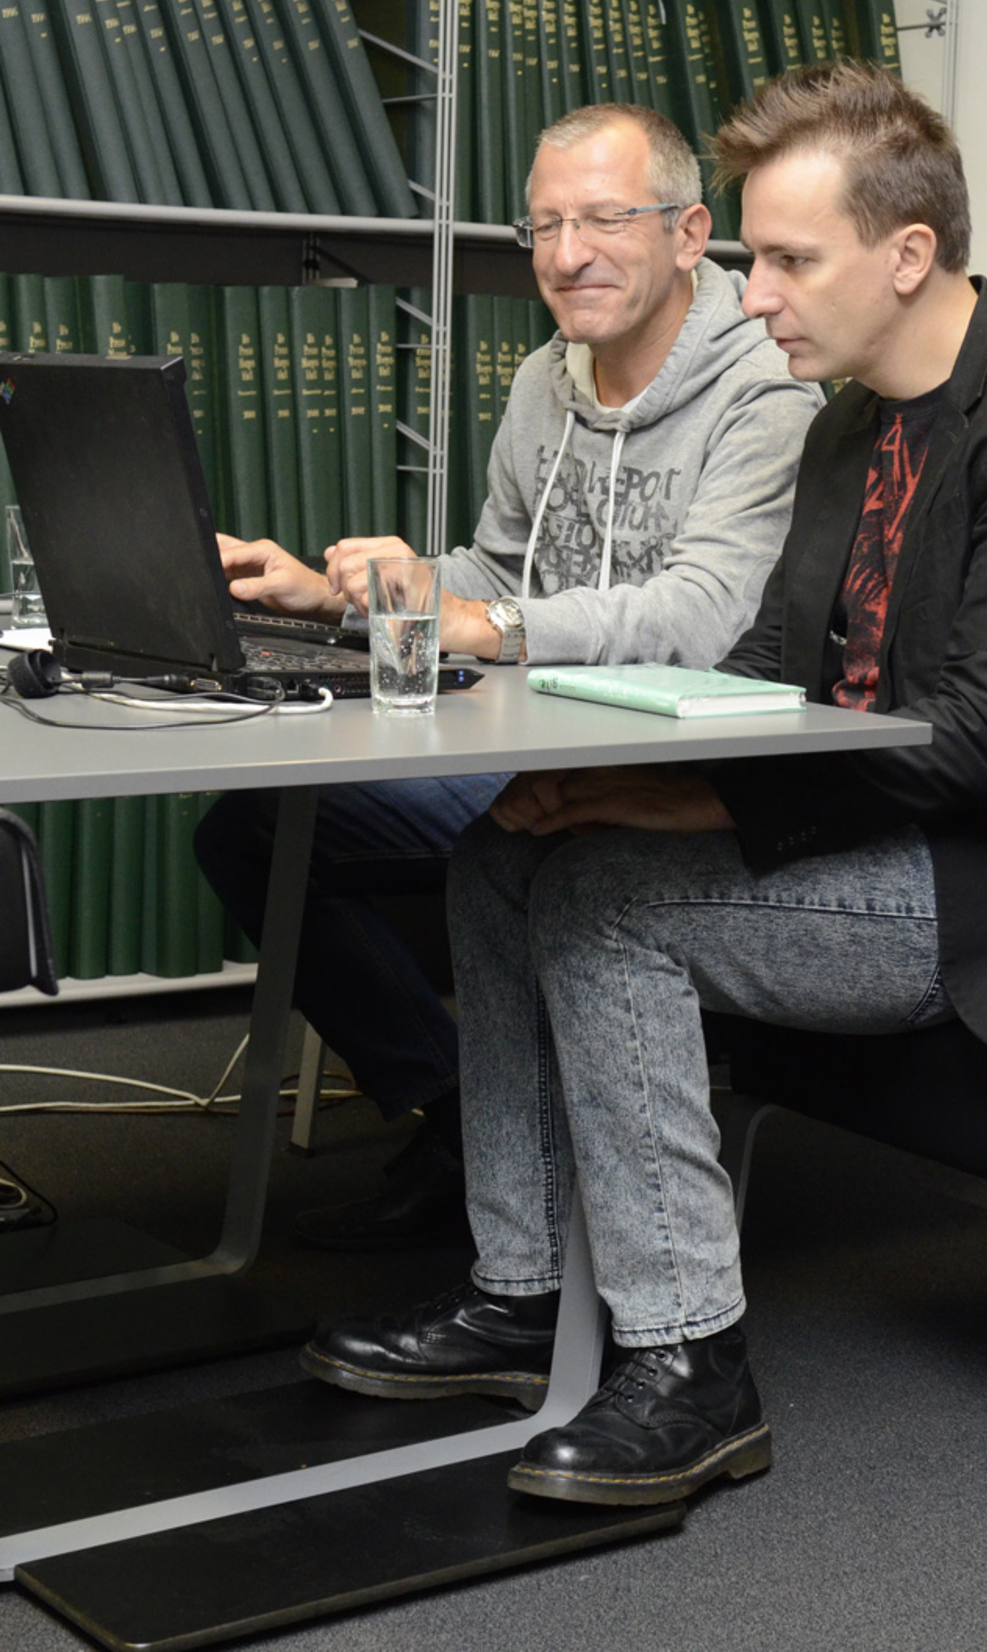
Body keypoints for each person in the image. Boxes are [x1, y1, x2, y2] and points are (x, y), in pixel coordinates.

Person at [300, 62, 987, 1509]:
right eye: (754, 257)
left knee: (605, 904)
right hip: (887, 832)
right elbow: (778, 658)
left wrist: (687, 806)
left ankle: (690, 1365)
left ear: (908, 257)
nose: (755, 293)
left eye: (789, 260)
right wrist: (625, 773)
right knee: (504, 855)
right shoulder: (850, 418)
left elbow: (979, 744)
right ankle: (521, 1288)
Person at [195, 103, 819, 1249]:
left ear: (689, 234)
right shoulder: (547, 376)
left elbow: (700, 614)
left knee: (438, 847)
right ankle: (461, 1103)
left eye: (601, 220)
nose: (565, 254)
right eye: (541, 225)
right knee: (253, 831)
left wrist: (484, 622)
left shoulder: (767, 393)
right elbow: (491, 564)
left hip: (666, 764)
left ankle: (507, 1163)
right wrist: (346, 591)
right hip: (527, 735)